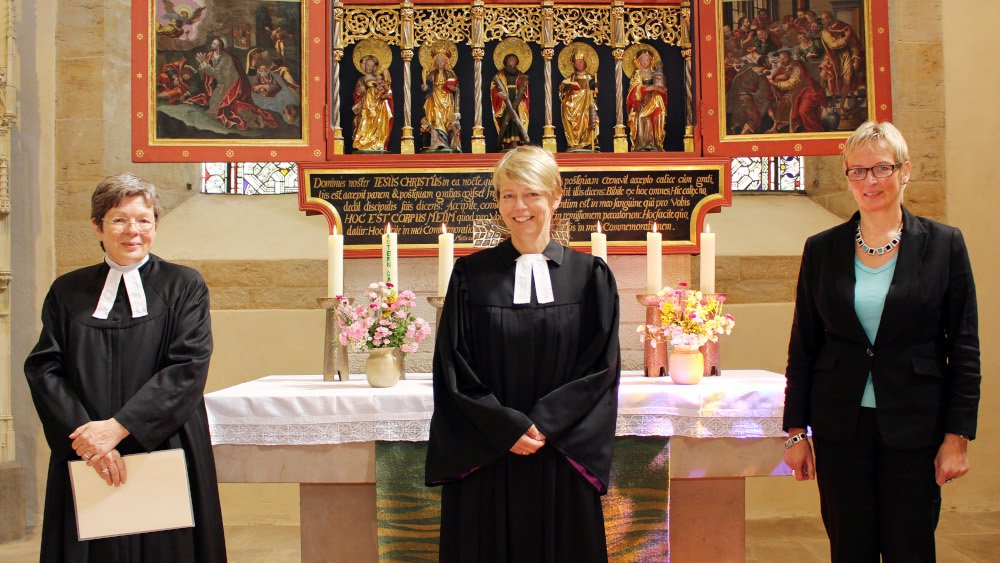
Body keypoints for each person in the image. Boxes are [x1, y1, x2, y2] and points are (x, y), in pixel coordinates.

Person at [783, 122, 980, 561]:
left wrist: (958, 436)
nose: (868, 181)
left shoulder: (944, 245)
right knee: (849, 548)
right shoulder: (822, 248)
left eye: (880, 168)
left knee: (910, 547)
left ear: (905, 171)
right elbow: (804, 345)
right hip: (840, 428)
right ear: (846, 177)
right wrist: (796, 432)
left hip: (915, 427)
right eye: (856, 171)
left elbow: (964, 347)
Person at [426, 146, 620, 562]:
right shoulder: (470, 275)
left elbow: (601, 365)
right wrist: (505, 428)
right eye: (507, 195)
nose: (519, 207)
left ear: (556, 197)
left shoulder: (590, 277)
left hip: (560, 450)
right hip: (488, 449)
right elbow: (453, 363)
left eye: (531, 194)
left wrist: (545, 425)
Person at [24, 173, 227, 561]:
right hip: (86, 450)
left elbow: (188, 366)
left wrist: (117, 429)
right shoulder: (67, 291)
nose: (133, 230)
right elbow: (44, 369)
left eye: (144, 219)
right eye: (119, 219)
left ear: (154, 224)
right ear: (97, 228)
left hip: (164, 441)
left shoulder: (184, 285)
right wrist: (89, 443)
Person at [186, 37, 278, 130]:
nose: (211, 45)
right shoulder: (211, 55)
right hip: (221, 85)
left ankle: (255, 117)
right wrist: (203, 64)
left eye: (214, 44)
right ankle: (249, 119)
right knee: (213, 107)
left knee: (227, 109)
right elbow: (208, 72)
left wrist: (204, 63)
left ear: (219, 47)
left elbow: (217, 74)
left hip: (232, 86)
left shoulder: (226, 58)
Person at [767, 50, 825, 133]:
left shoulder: (797, 68)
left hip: (803, 89)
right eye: (780, 58)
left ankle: (791, 125)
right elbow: (776, 76)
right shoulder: (785, 66)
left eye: (782, 58)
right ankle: (776, 125)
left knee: (786, 101)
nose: (780, 60)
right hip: (793, 89)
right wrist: (778, 78)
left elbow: (790, 84)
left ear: (787, 59)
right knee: (779, 102)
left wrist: (775, 84)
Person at [626, 50, 667, 151]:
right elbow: (635, 88)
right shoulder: (637, 74)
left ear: (651, 61)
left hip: (654, 99)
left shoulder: (655, 73)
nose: (644, 62)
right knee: (644, 119)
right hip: (641, 102)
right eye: (642, 60)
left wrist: (661, 89)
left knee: (655, 119)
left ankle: (654, 143)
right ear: (638, 62)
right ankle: (643, 144)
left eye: (647, 60)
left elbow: (662, 87)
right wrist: (649, 88)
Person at [421, 47, 460, 152]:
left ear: (446, 62)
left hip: (446, 98)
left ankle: (445, 143)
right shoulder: (432, 74)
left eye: (442, 61)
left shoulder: (450, 74)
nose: (440, 63)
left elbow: (457, 88)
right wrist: (425, 88)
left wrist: (453, 88)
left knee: (445, 119)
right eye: (438, 61)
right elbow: (427, 87)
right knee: (435, 118)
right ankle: (435, 142)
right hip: (434, 98)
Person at [559, 49, 599, 151]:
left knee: (588, 119)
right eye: (576, 63)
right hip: (573, 105)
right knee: (566, 107)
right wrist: (567, 88)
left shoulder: (590, 77)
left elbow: (594, 91)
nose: (579, 65)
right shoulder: (571, 77)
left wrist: (594, 86)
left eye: (580, 62)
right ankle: (574, 141)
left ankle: (588, 141)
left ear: (585, 63)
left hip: (585, 105)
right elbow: (562, 90)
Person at [352, 54, 393, 152]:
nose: (369, 68)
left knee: (378, 121)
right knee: (365, 120)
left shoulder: (378, 78)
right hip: (366, 103)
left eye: (372, 66)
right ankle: (363, 141)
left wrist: (383, 89)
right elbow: (357, 92)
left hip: (378, 104)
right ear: (363, 66)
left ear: (375, 67)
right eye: (367, 66)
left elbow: (385, 88)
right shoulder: (361, 79)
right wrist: (361, 90)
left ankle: (377, 141)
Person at [491, 53, 530, 150]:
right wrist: (498, 94)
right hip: (504, 101)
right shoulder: (499, 75)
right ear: (505, 63)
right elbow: (493, 88)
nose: (512, 66)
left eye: (514, 65)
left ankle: (515, 142)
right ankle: (505, 143)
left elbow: (524, 90)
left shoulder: (521, 74)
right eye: (509, 65)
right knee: (506, 119)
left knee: (517, 117)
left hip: (518, 99)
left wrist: (525, 86)